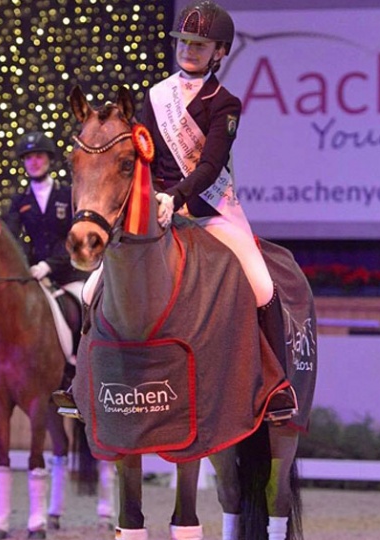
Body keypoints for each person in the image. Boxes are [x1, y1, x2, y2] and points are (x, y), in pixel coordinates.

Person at [140, 0, 296, 421]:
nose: (189, 50)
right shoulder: (155, 97)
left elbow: (210, 166)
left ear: (220, 51)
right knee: (93, 287)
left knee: (262, 286)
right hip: (156, 209)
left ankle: (275, 385)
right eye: (184, 42)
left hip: (209, 208)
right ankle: (83, 379)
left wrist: (174, 196)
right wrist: (153, 197)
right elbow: (143, 155)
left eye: (200, 44)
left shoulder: (224, 102)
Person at [0, 131, 89, 412]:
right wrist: (23, 266)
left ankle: (81, 378)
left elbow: (75, 235)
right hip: (30, 275)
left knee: (83, 305)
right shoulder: (20, 201)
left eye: (38, 156)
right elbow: (11, 238)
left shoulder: (67, 196)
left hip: (66, 274)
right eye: (29, 158)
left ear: (48, 159)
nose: (34, 162)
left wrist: (50, 265)